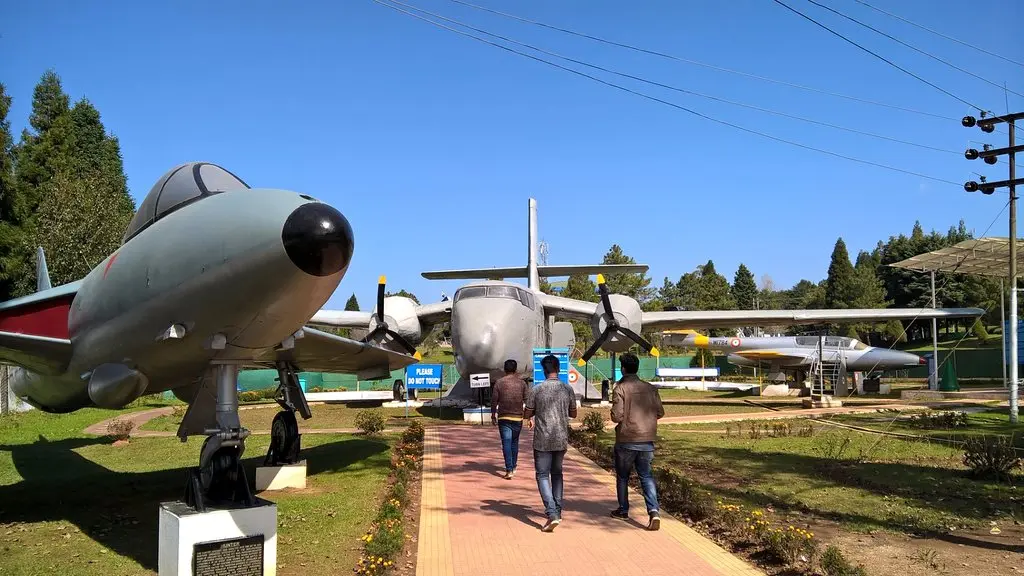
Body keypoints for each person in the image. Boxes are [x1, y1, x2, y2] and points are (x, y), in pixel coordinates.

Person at [609, 352, 664, 531]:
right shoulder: (650, 388)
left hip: (627, 438)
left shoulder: (620, 388)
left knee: (623, 476)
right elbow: (660, 412)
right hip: (647, 440)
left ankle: (623, 510)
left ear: (623, 369)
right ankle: (654, 511)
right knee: (646, 476)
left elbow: (617, 416)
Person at [523, 354, 577, 532]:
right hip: (561, 438)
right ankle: (558, 510)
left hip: (542, 440)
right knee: (557, 473)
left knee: (542, 475)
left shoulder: (536, 390)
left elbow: (527, 413)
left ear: (544, 370)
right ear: (558, 368)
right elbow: (574, 414)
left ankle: (552, 512)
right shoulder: (567, 389)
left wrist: (534, 414)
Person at [491, 359, 529, 479]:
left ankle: (509, 469)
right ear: (516, 370)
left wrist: (493, 415)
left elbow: (494, 401)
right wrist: (529, 417)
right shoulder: (522, 383)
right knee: (514, 443)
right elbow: (527, 400)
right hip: (518, 417)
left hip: (504, 417)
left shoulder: (499, 383)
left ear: (504, 369)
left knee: (506, 443)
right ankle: (514, 465)